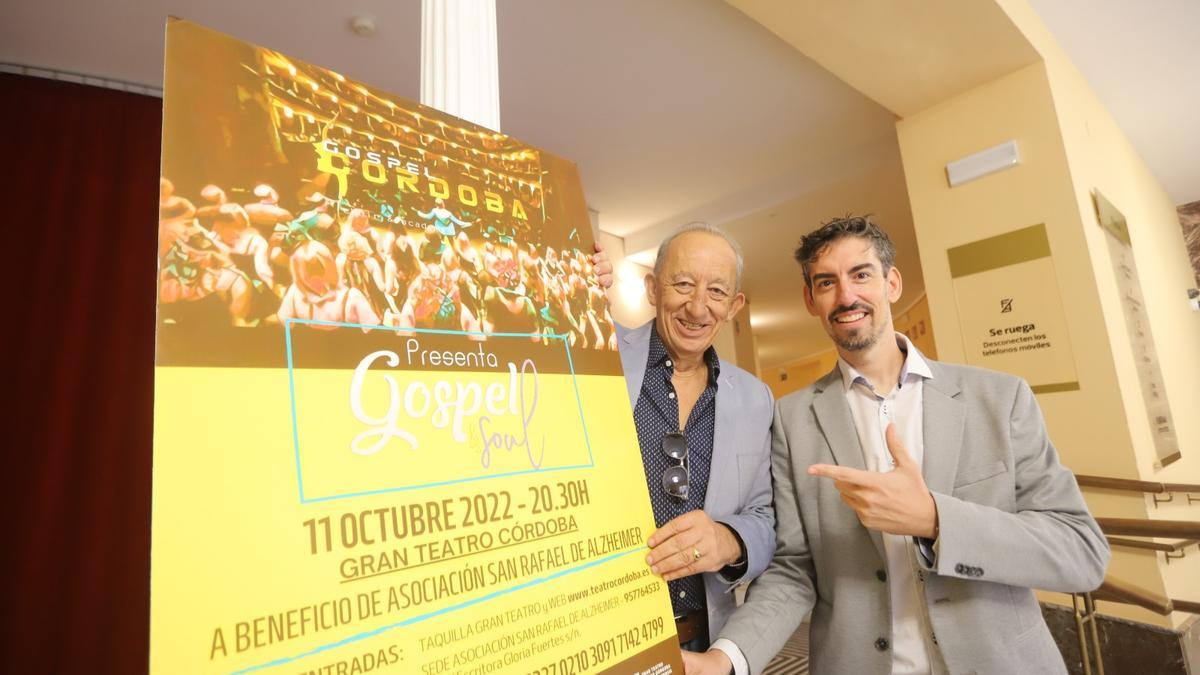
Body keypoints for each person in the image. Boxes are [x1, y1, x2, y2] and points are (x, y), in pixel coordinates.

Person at [685, 216, 1110, 675]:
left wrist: (934, 519)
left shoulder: (1000, 399)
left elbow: (1082, 552)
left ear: (892, 283)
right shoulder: (790, 420)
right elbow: (793, 569)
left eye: (861, 274)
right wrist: (723, 659)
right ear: (811, 300)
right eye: (826, 282)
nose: (846, 296)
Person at [596, 224, 776, 656]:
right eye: (682, 284)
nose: (698, 307)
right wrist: (570, 286)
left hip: (702, 640)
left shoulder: (756, 398)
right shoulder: (599, 352)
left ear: (734, 306)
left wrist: (729, 539)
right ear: (653, 289)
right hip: (604, 635)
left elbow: (766, 516)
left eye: (716, 292)